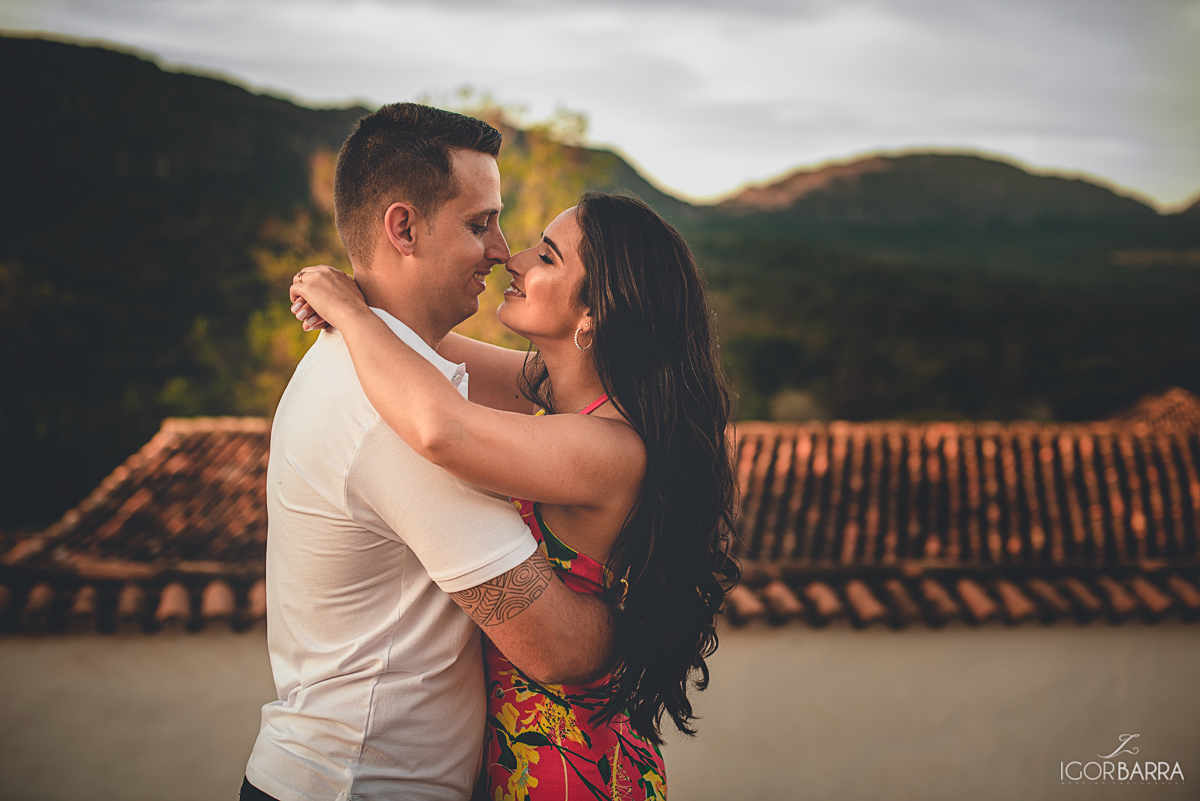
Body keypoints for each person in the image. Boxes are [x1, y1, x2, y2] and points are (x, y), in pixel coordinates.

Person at [289, 190, 741, 800]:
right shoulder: (554, 392)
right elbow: (421, 343)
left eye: (547, 258)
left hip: (567, 767)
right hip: (513, 753)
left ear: (595, 313)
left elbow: (440, 429)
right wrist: (361, 289)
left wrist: (354, 315)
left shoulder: (609, 447)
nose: (515, 259)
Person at [243, 103, 619, 801]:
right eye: (480, 223)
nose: (503, 249)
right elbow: (555, 646)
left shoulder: (392, 364)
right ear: (403, 227)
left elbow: (542, 381)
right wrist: (669, 598)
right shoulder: (393, 413)